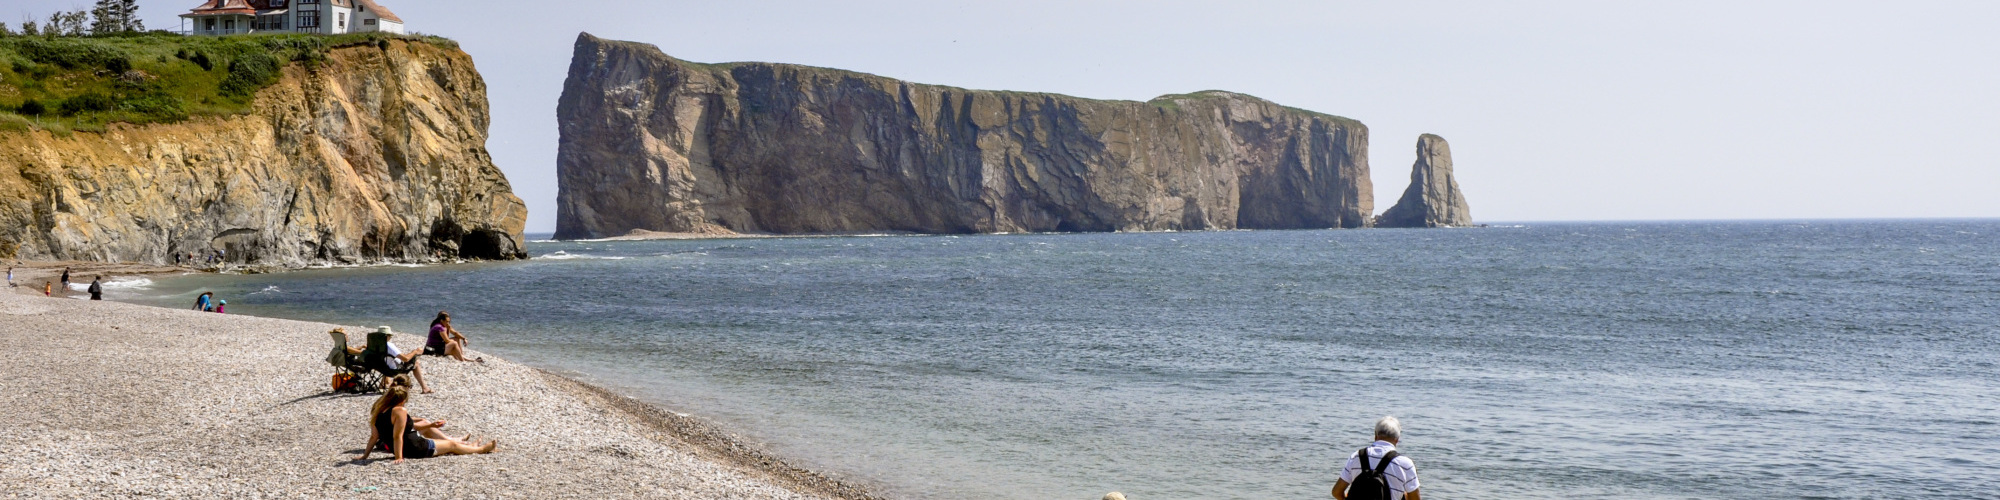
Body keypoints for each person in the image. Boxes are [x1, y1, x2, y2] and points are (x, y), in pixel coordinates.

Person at [357, 377, 496, 464]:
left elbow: (374, 436)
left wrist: (365, 455)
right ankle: (481, 449)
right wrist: (399, 457)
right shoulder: (399, 411)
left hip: (411, 445)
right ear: (401, 400)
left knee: (448, 444)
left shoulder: (379, 412)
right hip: (415, 447)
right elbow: (397, 436)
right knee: (452, 446)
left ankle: (472, 446)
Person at [1331, 416, 1421, 500]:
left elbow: (1336, 492)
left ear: (1375, 435)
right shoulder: (1405, 464)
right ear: (1397, 439)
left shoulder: (1356, 456)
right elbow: (1415, 498)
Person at [378, 326, 434, 394]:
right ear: (386, 336)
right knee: (416, 363)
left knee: (389, 360)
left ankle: (383, 384)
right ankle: (425, 388)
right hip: (392, 369)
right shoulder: (389, 345)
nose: (390, 337)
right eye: (390, 335)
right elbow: (406, 359)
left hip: (380, 366)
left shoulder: (375, 344)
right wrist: (415, 352)